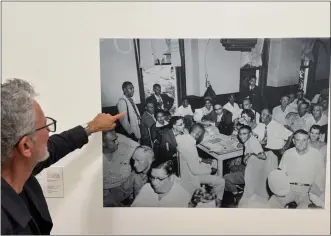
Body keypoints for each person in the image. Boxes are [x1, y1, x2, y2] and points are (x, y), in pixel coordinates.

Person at [1, 78, 125, 235]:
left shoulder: (17, 167)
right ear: (26, 146)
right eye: (45, 125)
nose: (48, 132)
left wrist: (91, 127)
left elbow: (54, 147)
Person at [176, 123, 225, 207]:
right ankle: (216, 203)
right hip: (191, 178)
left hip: (184, 171)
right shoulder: (190, 147)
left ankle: (208, 190)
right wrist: (210, 170)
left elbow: (189, 158)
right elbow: (195, 171)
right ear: (198, 134)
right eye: (202, 135)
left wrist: (202, 160)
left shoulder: (183, 139)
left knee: (214, 162)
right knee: (221, 181)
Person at [277, 129, 326, 209]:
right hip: (289, 189)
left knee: (302, 210)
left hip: (308, 191)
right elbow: (282, 174)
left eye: (304, 140)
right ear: (293, 141)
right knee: (274, 202)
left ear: (308, 141)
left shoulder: (317, 155)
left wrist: (315, 193)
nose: (301, 143)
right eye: (298, 140)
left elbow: (321, 177)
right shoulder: (288, 153)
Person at [102, 130, 140, 195]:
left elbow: (140, 148)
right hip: (110, 193)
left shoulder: (123, 147)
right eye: (114, 141)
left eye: (117, 139)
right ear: (102, 143)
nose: (117, 142)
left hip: (128, 187)